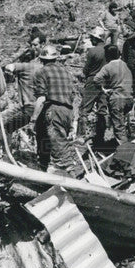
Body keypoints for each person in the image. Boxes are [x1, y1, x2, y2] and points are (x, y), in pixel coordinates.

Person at [31, 45, 80, 176]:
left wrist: (33, 119)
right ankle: (43, 166)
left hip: (54, 110)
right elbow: (73, 96)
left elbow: (41, 98)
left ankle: (70, 177)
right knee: (44, 137)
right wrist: (74, 119)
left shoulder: (41, 72)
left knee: (59, 149)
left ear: (42, 59)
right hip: (68, 110)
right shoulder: (65, 72)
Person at [94, 44, 134, 154]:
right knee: (122, 123)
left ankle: (125, 154)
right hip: (129, 98)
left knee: (119, 127)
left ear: (107, 55)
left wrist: (104, 90)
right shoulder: (125, 65)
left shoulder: (108, 67)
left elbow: (96, 79)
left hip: (117, 99)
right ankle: (124, 145)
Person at [1, 48, 42, 142]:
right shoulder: (39, 67)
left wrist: (15, 58)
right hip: (39, 107)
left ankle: (6, 152)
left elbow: (7, 66)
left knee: (6, 127)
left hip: (29, 109)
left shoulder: (25, 66)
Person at [80, 26, 108, 139]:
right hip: (106, 81)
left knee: (84, 109)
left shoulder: (92, 51)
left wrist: (83, 75)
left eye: (92, 38)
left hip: (92, 80)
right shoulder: (110, 49)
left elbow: (86, 70)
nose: (91, 40)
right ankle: (100, 136)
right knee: (102, 109)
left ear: (96, 39)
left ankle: (80, 136)